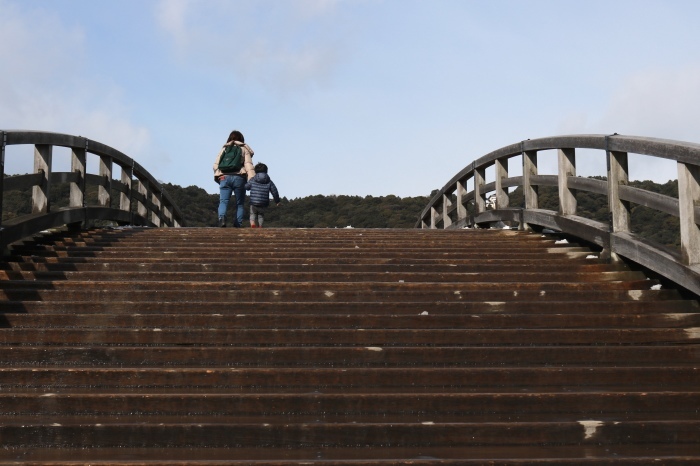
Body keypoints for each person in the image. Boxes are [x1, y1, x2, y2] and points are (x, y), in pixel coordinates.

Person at [213, 130, 255, 227]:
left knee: (223, 201)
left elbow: (215, 165)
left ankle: (222, 219)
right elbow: (248, 165)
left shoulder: (224, 149)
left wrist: (219, 176)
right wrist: (252, 180)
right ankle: (237, 224)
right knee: (239, 203)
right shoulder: (243, 149)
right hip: (239, 177)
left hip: (224, 177)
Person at [245, 162, 281, 228]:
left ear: (255, 171)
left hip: (254, 201)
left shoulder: (253, 179)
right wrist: (277, 201)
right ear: (266, 171)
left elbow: (247, 187)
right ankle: (260, 226)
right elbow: (274, 191)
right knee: (261, 215)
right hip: (263, 202)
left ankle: (252, 224)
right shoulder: (269, 181)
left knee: (252, 213)